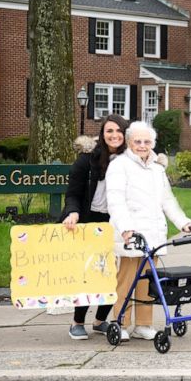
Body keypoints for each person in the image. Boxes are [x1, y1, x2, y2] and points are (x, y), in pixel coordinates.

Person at [106, 121, 191, 341]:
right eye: (138, 141)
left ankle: (144, 324)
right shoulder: (119, 166)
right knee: (125, 280)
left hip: (152, 236)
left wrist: (183, 223)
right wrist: (126, 229)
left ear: (153, 143)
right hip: (130, 235)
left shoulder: (157, 169)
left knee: (148, 281)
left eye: (147, 141)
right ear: (129, 142)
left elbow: (167, 201)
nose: (142, 145)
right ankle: (122, 323)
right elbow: (115, 201)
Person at [61, 114, 128, 341]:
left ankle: (100, 320)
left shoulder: (130, 161)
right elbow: (73, 193)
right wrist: (73, 212)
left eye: (119, 131)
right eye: (109, 131)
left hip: (116, 222)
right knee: (91, 273)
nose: (114, 135)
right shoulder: (86, 160)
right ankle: (77, 321)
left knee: (114, 273)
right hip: (89, 221)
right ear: (102, 134)